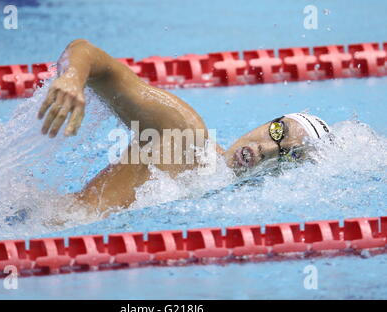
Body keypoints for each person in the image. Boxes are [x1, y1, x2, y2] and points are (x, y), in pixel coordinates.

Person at [38, 39, 330, 216]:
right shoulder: (185, 135)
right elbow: (86, 51)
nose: (264, 150)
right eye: (277, 134)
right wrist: (73, 78)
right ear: (269, 122)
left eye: (288, 155)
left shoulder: (218, 192)